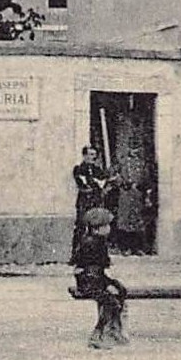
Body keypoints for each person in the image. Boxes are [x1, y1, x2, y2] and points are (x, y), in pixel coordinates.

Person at [73, 207, 127, 349]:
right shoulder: (92, 244)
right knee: (111, 303)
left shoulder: (98, 241)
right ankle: (97, 334)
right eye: (106, 226)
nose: (109, 228)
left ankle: (114, 329)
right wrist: (106, 285)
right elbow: (92, 270)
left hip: (96, 279)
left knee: (121, 290)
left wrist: (110, 283)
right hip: (89, 282)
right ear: (96, 229)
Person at [70, 145, 109, 262]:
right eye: (91, 154)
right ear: (85, 156)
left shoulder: (98, 170)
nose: (93, 157)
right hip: (84, 202)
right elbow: (83, 184)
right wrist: (96, 186)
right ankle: (76, 255)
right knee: (81, 228)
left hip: (96, 201)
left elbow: (104, 182)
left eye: (94, 155)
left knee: (98, 228)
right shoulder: (79, 169)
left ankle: (99, 256)